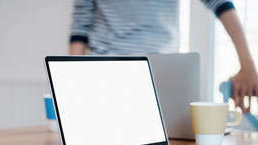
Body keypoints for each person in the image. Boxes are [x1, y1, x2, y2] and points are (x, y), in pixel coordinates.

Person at [69, 0, 258, 113]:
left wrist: (248, 66)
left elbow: (220, 3)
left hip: (163, 75)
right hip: (106, 73)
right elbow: (80, 26)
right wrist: (71, 88)